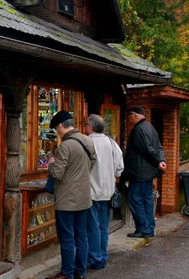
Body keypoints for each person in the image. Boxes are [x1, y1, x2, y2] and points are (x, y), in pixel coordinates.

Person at [47, 111, 97, 279]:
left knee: (67, 237)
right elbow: (93, 162)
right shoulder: (87, 140)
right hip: (84, 197)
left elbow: (58, 174)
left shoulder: (65, 146)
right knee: (81, 235)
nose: (57, 132)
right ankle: (80, 271)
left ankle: (67, 273)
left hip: (66, 200)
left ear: (61, 126)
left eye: (56, 129)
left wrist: (51, 164)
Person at [84, 114, 124, 270]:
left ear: (90, 127)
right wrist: (112, 176)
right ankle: (101, 256)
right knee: (102, 226)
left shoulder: (87, 143)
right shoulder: (111, 143)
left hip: (91, 191)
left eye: (86, 125)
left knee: (91, 227)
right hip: (108, 191)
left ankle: (94, 257)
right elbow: (119, 167)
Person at [123, 106, 167, 238]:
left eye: (129, 115)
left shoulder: (138, 130)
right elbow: (159, 147)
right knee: (147, 200)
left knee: (135, 200)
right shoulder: (150, 127)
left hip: (139, 172)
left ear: (134, 115)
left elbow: (147, 150)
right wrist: (161, 160)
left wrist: (158, 162)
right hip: (148, 173)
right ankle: (149, 228)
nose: (128, 119)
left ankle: (143, 228)